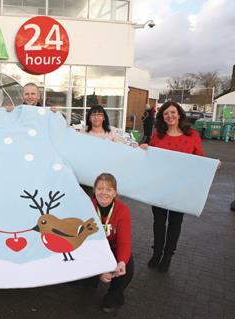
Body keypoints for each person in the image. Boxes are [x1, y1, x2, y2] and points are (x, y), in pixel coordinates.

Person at [140, 101, 203, 272]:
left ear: (180, 114)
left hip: (181, 188)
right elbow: (150, 159)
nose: (170, 116)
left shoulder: (192, 135)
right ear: (162, 117)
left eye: (173, 112)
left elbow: (200, 160)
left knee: (175, 223)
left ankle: (168, 256)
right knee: (159, 222)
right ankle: (157, 252)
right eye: (166, 113)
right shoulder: (158, 136)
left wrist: (213, 165)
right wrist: (145, 149)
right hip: (160, 186)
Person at [91, 173, 133, 313]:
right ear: (94, 190)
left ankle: (113, 297)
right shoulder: (87, 206)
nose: (104, 192)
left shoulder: (122, 210)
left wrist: (121, 262)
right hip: (92, 247)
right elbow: (83, 241)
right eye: (100, 188)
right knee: (84, 282)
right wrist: (98, 270)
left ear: (115, 192)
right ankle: (88, 282)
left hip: (113, 247)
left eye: (109, 189)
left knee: (126, 266)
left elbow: (124, 242)